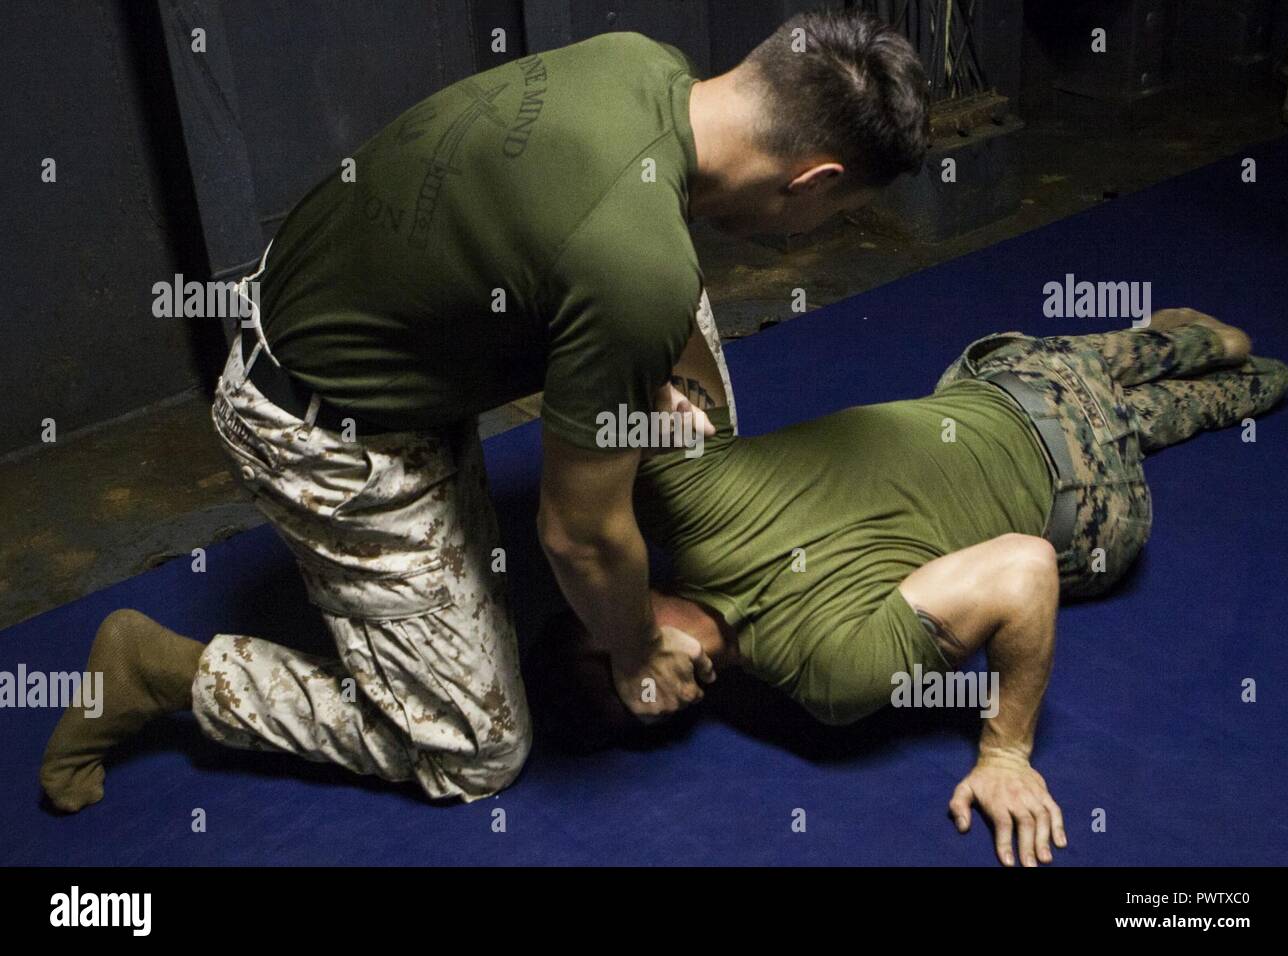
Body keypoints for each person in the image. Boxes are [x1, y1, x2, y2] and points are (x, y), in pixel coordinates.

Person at [39, 12, 930, 812]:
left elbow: (541, 237)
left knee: (657, 310)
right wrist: (634, 653)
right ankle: (155, 672)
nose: (814, 233)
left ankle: (619, 426)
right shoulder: (635, 265)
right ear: (814, 180)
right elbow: (575, 537)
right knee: (477, 752)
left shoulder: (643, 64)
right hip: (320, 425)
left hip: (368, 308)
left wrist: (627, 365)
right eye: (835, 213)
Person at [542, 309, 1288, 867]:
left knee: (1223, 344)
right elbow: (1025, 566)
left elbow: (661, 304)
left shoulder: (678, 490)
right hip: (1088, 494)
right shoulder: (826, 669)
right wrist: (1005, 753)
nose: (650, 696)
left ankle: (1173, 343)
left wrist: (633, 408)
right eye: (634, 713)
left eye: (614, 672)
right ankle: (1169, 363)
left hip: (1018, 391)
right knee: (1259, 382)